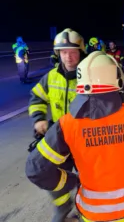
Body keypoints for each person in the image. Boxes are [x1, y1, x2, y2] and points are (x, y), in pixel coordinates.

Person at [26, 51, 124, 222]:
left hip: (93, 214)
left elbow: (36, 169)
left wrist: (69, 181)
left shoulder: (66, 125)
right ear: (116, 80)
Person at [28, 28, 87, 222]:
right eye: (64, 52)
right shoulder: (51, 77)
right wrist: (39, 119)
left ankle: (84, 212)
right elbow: (37, 97)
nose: (68, 57)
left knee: (89, 179)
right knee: (44, 170)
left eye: (72, 52)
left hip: (84, 140)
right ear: (58, 54)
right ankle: (63, 208)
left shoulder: (90, 76)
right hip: (58, 138)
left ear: (81, 52)